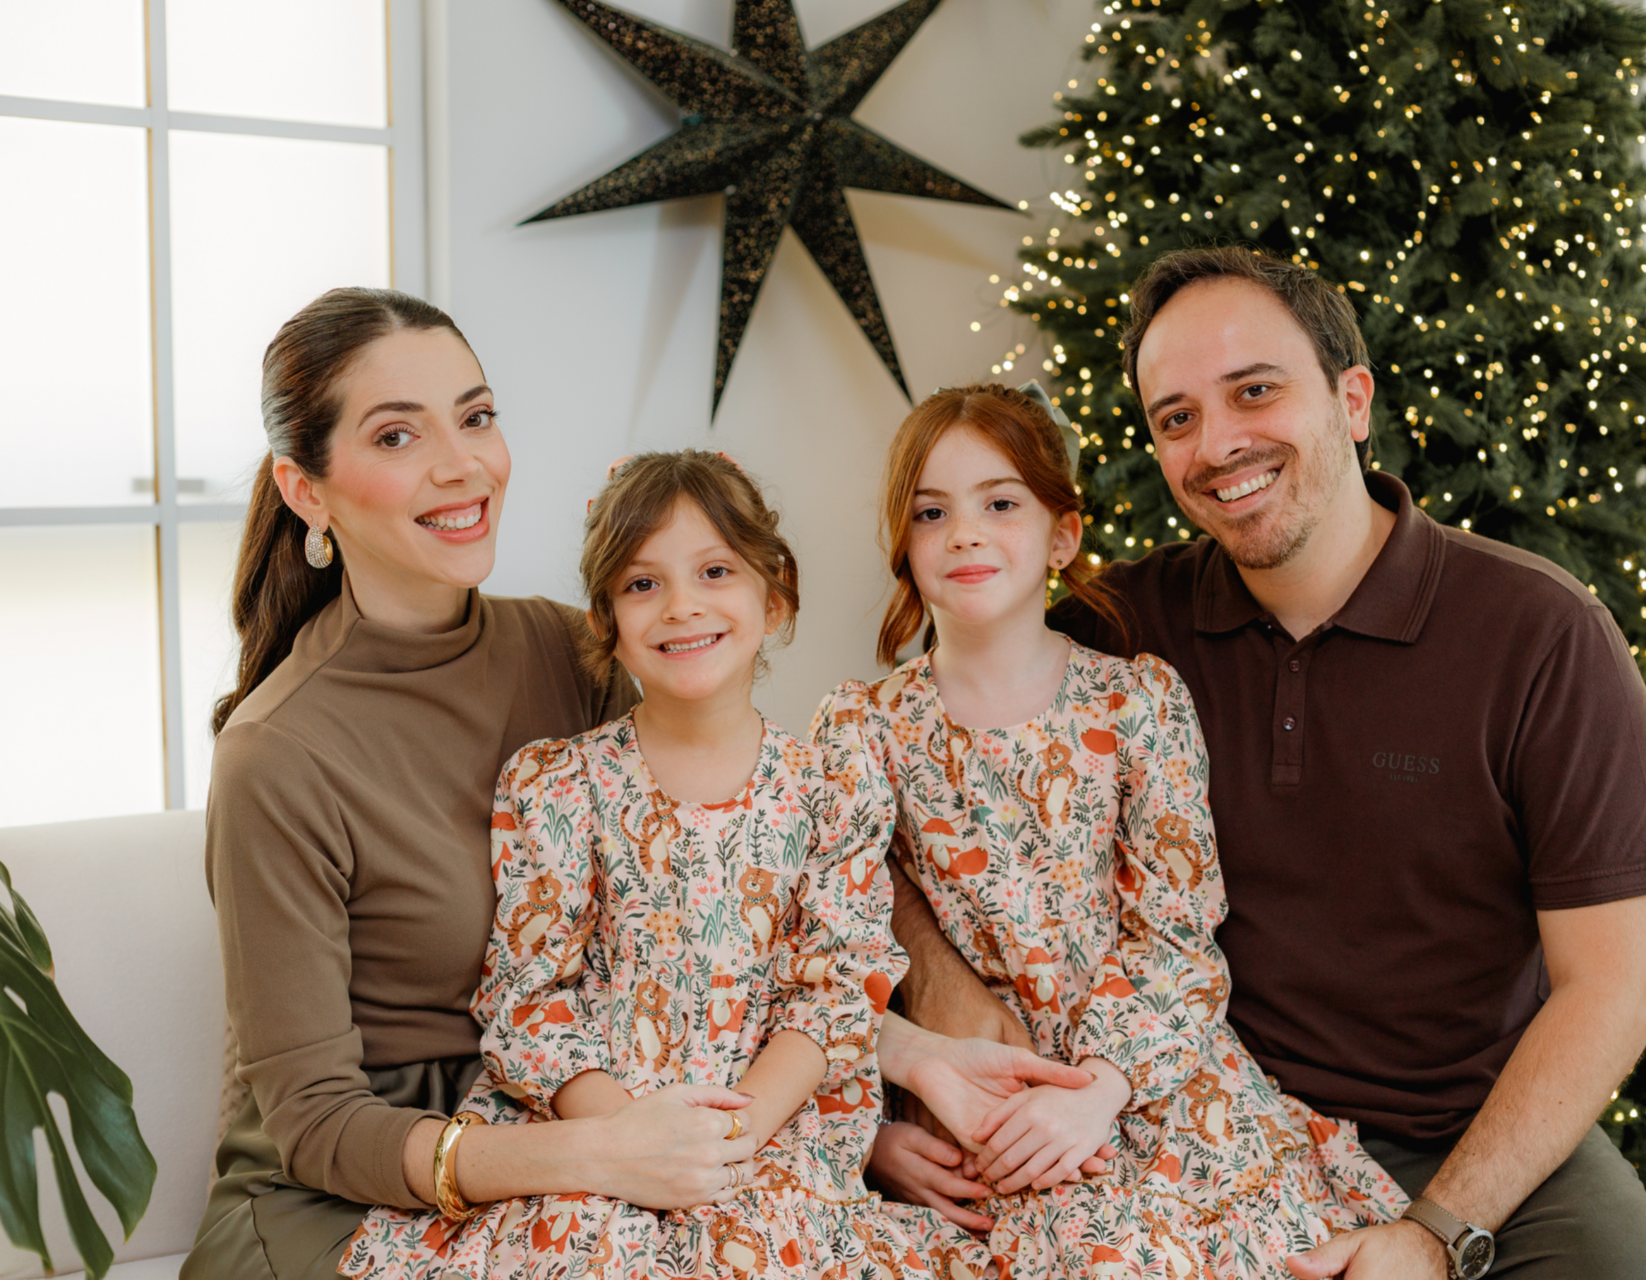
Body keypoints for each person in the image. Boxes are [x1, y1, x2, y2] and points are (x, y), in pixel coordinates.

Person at [887, 251, 1646, 1279]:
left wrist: (1438, 1228)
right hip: (1183, 1109)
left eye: (1255, 391)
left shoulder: (1540, 635)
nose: (1217, 444)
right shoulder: (1116, 632)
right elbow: (883, 800)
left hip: (1472, 1134)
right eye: (1177, 416)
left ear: (1352, 400)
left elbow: (1612, 986)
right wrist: (943, 992)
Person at [341, 451, 1042, 1278]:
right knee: (591, 1251)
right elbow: (529, 999)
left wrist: (730, 1137)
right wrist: (626, 1139)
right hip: (595, 1135)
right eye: (643, 584)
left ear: (774, 597)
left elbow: (836, 990)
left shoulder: (830, 788)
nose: (682, 606)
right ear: (605, 620)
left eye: (715, 571)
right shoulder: (557, 785)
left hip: (768, 1141)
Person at [830, 383, 1407, 1279]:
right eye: (932, 513)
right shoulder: (860, 729)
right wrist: (873, 1129)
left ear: (1063, 535)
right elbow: (827, 947)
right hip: (976, 1107)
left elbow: (1177, 932)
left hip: (1149, 1077)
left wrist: (1101, 1088)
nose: (966, 534)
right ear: (902, 543)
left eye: (1000, 504)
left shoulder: (1137, 702)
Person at [188, 288, 676, 1280]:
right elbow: (317, 1123)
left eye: (476, 416)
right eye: (398, 435)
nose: (463, 465)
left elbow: (712, 899)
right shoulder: (275, 753)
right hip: (346, 1198)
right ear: (306, 491)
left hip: (573, 1131)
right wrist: (589, 1154)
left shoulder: (571, 653)